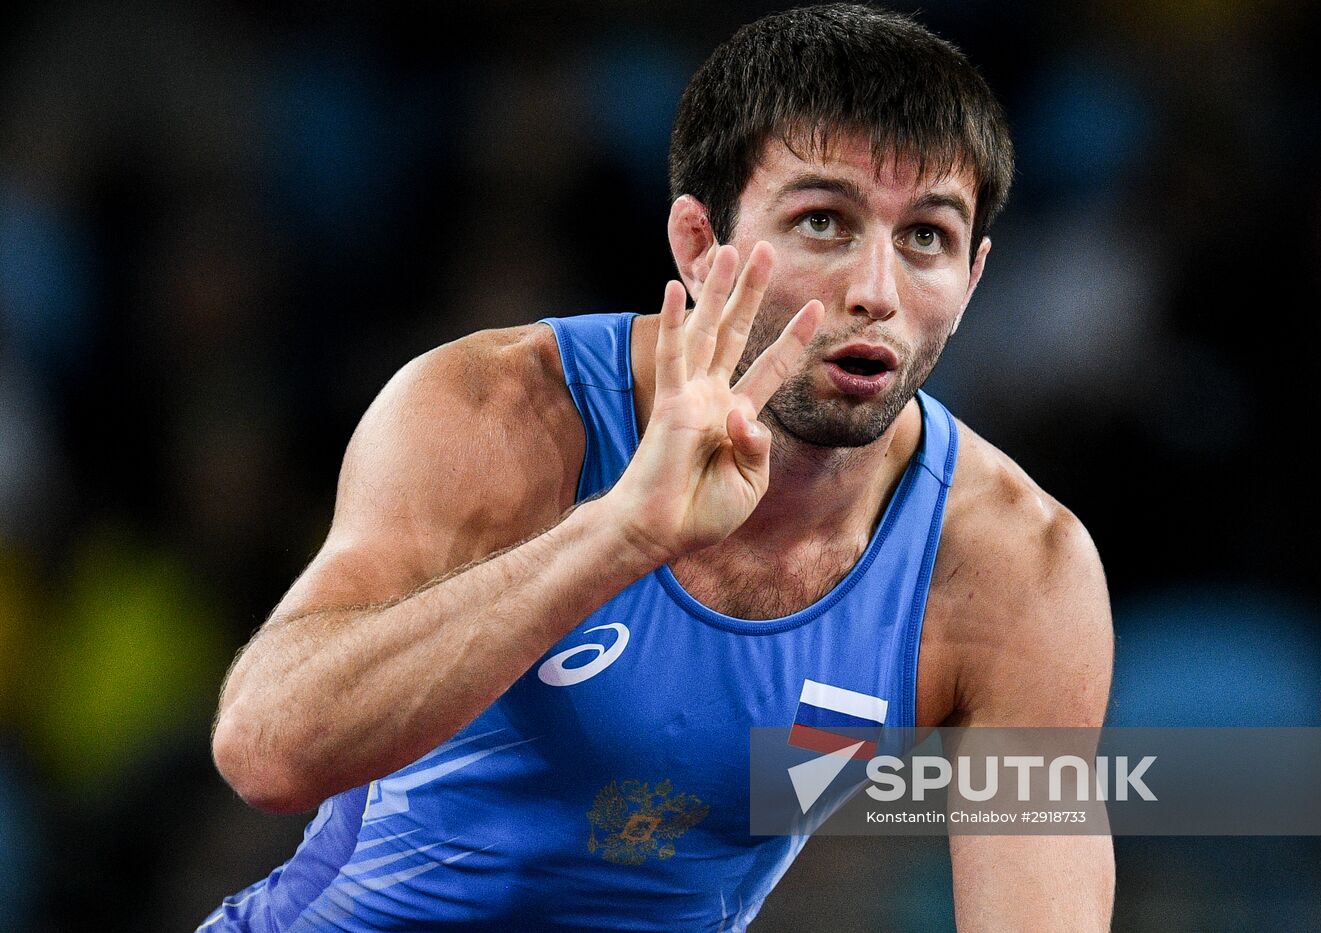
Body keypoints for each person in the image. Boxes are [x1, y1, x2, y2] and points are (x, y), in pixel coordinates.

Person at [202, 4, 1114, 930]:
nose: (877, 291)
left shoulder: (1016, 570)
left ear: (974, 277)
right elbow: (266, 750)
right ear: (698, 242)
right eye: (823, 222)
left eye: (927, 236)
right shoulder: (495, 412)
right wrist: (620, 530)